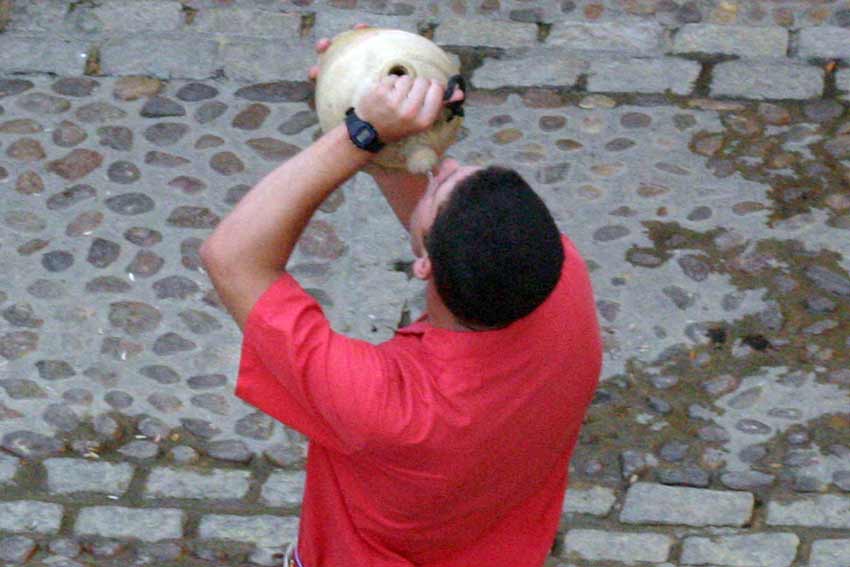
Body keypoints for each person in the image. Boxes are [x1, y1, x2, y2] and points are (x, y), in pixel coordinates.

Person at [200, 28, 602, 567]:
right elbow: (439, 217)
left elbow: (232, 258)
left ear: (424, 266)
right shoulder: (561, 285)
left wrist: (355, 135)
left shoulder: (389, 406)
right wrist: (370, 93)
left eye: (441, 185)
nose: (446, 168)